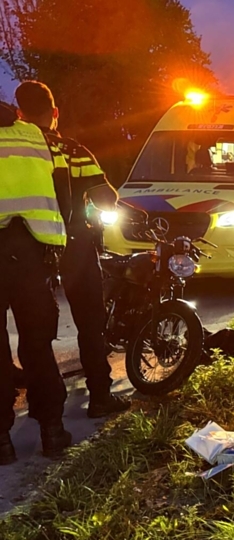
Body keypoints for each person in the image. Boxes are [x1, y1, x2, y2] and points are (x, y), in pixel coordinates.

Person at [15, 81, 130, 419]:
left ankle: (42, 402)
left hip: (26, 251)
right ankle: (99, 396)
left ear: (20, 113)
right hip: (75, 245)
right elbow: (106, 198)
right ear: (54, 112)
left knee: (33, 331)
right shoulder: (72, 149)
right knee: (90, 322)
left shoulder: (14, 151)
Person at [0, 100, 72, 465]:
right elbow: (62, 192)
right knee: (37, 343)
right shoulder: (32, 134)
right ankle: (53, 432)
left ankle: (1, 442)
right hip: (32, 248)